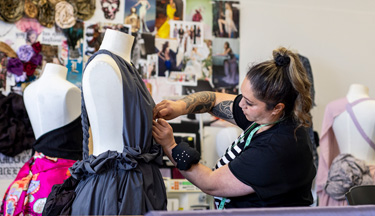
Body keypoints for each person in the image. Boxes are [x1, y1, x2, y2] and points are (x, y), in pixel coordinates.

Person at [152, 47, 316, 208]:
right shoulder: (266, 118)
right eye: (243, 96)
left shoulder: (277, 148)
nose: (241, 104)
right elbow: (213, 100)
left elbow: (210, 183)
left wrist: (170, 146)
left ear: (277, 108)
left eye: (249, 103)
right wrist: (180, 106)